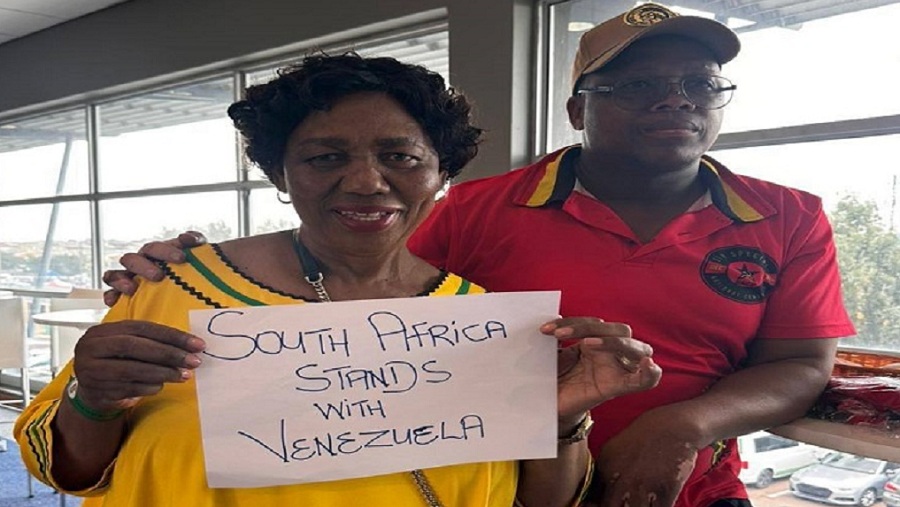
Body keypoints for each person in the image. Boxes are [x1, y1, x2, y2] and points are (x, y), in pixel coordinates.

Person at [103, 3, 856, 507]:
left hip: (688, 485)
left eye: (700, 84)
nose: (676, 100)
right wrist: (188, 271)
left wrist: (679, 426)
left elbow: (800, 363)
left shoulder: (790, 215)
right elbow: (353, 281)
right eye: (637, 86)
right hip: (508, 483)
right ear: (577, 109)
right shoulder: (477, 209)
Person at [14, 53, 662, 507]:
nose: (366, 181)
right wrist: (93, 400)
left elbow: (543, 500)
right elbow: (63, 468)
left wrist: (563, 418)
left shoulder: (485, 322)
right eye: (325, 157)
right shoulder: (173, 288)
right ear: (279, 173)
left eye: (400, 156)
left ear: (441, 173)